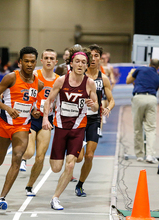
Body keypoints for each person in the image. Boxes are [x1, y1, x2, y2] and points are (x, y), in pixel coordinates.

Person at [42, 46, 98, 210]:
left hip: (78, 129)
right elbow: (49, 101)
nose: (80, 65)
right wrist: (46, 118)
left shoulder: (90, 84)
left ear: (87, 65)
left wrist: (92, 104)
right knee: (56, 168)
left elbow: (95, 108)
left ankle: (55, 198)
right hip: (60, 128)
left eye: (83, 62)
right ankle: (72, 154)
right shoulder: (61, 81)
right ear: (71, 63)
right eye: (77, 62)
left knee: (71, 165)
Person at [0, 46, 44, 211]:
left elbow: (33, 104)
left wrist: (34, 111)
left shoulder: (38, 84)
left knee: (18, 157)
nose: (29, 64)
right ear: (20, 62)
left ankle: (2, 197)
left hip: (22, 127)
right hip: (4, 125)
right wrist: (7, 108)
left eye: (32, 61)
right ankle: (0, 162)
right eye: (26, 61)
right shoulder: (10, 78)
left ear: (35, 63)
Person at [75, 44, 115, 197]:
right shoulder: (78, 75)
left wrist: (107, 108)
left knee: (89, 155)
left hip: (94, 120)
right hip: (78, 119)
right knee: (78, 157)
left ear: (100, 58)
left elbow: (111, 100)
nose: (93, 58)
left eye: (96, 55)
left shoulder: (103, 78)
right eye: (90, 55)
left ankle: (80, 184)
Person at [19, 49, 59, 196]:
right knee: (29, 152)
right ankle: (21, 159)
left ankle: (29, 186)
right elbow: (24, 94)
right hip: (31, 118)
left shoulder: (59, 80)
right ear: (41, 60)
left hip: (46, 120)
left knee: (40, 157)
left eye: (52, 58)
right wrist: (31, 110)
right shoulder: (35, 75)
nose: (49, 60)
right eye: (46, 58)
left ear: (56, 61)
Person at [126, 59, 159, 163]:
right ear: (158, 67)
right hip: (152, 99)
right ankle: (150, 155)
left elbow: (128, 81)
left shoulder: (140, 69)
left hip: (139, 98)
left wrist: (131, 73)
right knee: (150, 129)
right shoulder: (157, 77)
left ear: (149, 64)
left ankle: (139, 155)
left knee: (138, 128)